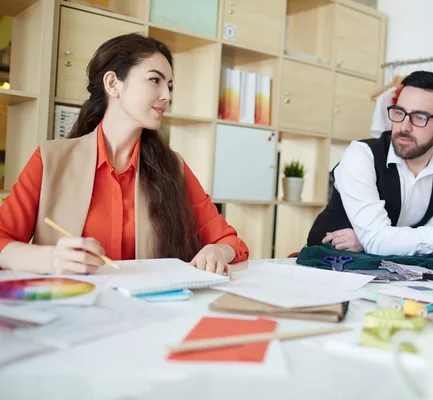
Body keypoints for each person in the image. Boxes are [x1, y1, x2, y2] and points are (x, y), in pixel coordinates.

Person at [0, 33, 249, 275]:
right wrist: (50, 259)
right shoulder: (50, 160)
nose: (167, 95)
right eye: (155, 80)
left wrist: (218, 251)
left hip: (151, 313)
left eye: (169, 85)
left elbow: (229, 240)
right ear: (112, 84)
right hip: (69, 310)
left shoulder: (173, 167)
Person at [307, 71, 433, 257]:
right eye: (399, 112)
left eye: (419, 117)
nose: (404, 126)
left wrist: (373, 239)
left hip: (394, 277)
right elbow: (380, 240)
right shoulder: (361, 156)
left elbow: (432, 244)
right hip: (328, 268)